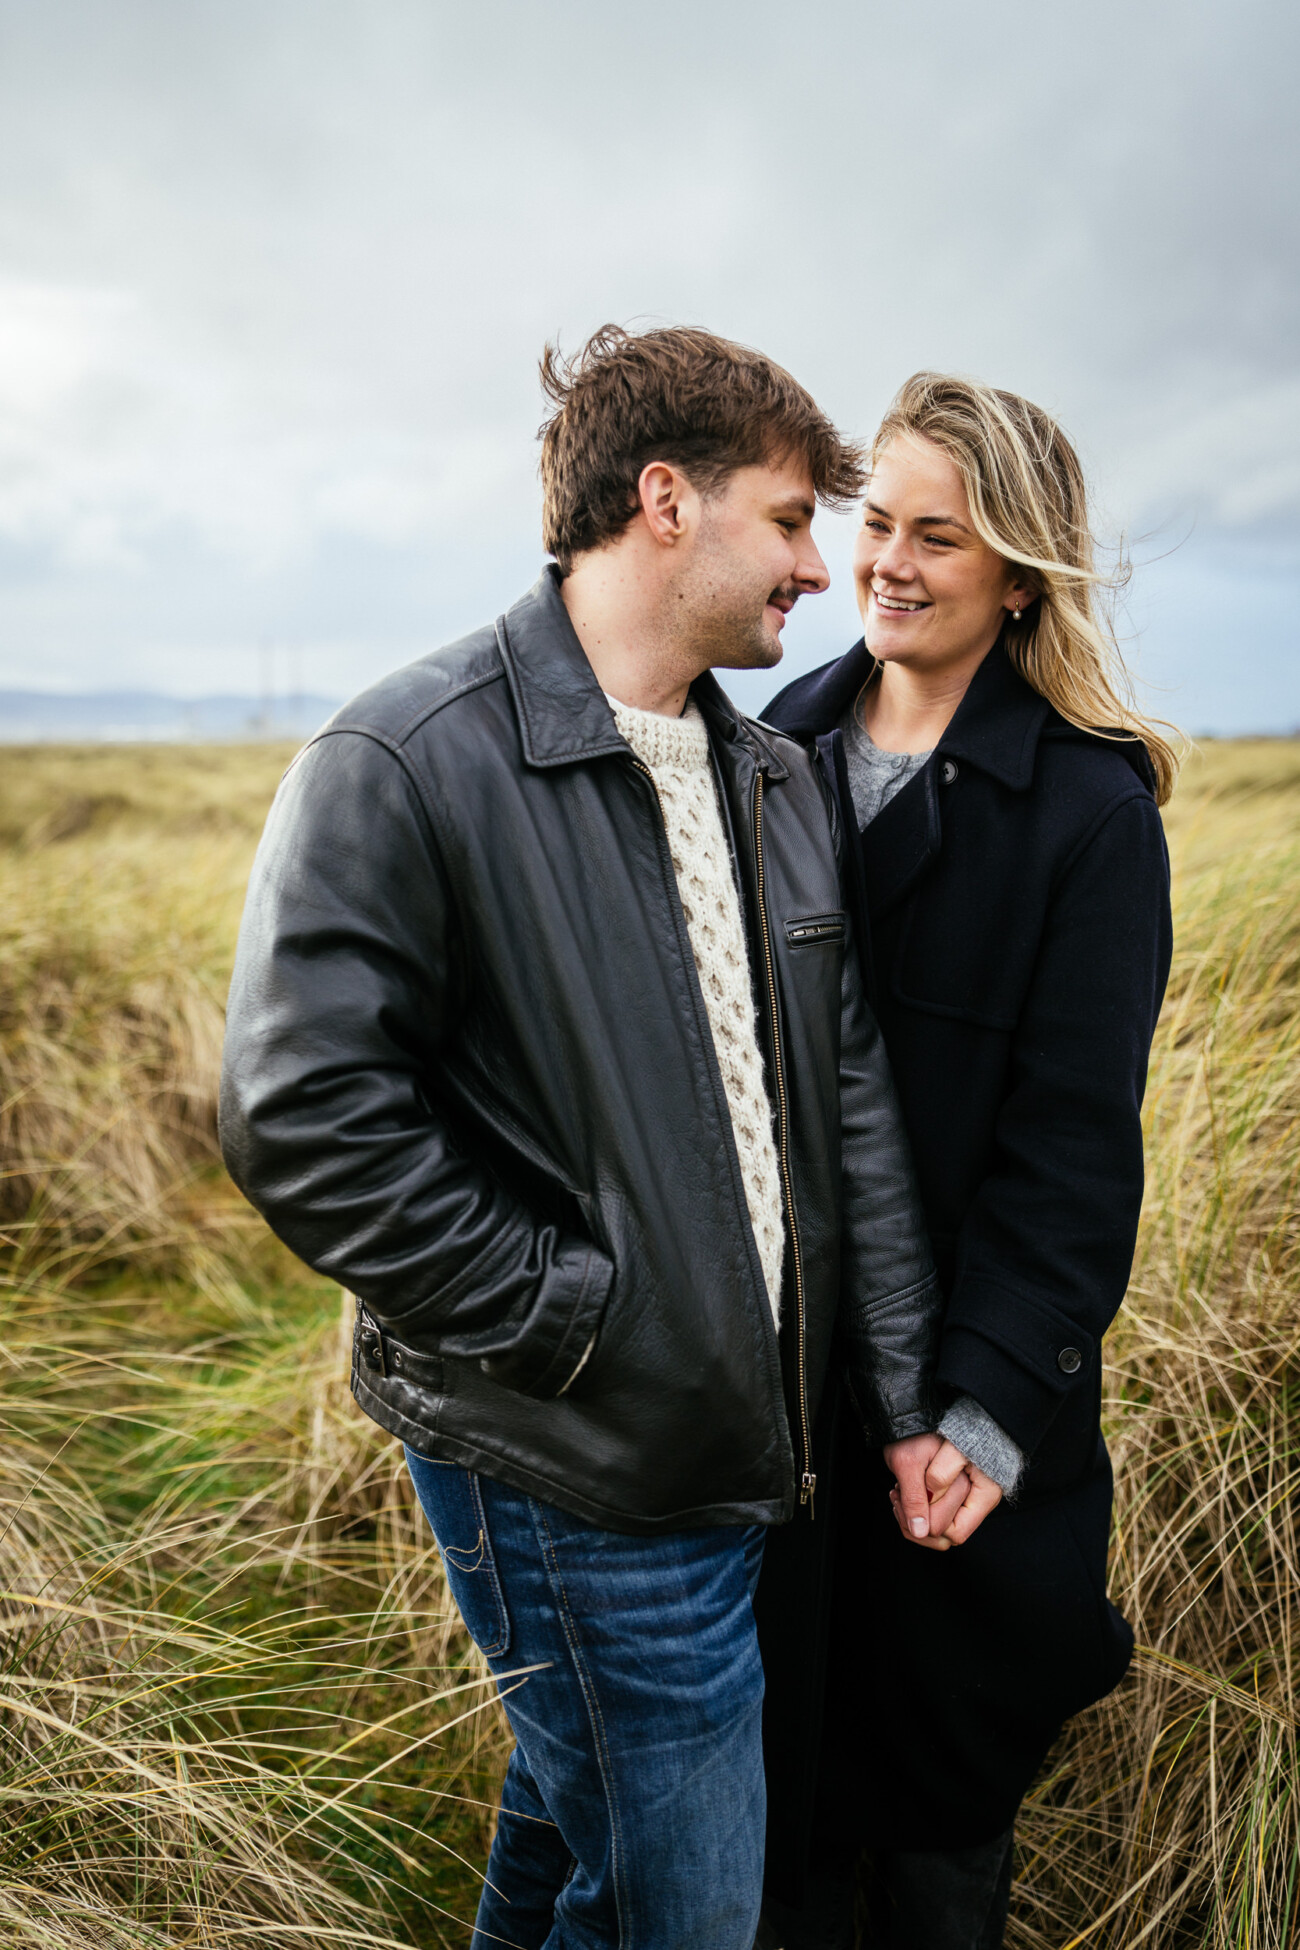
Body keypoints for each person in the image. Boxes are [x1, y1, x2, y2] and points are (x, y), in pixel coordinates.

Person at [219, 325, 951, 1950]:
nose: (820, 570)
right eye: (789, 520)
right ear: (665, 501)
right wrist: (578, 1319)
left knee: (578, 1842)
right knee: (684, 1912)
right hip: (575, 1451)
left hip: (745, 1446)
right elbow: (301, 1115)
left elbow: (847, 1113)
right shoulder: (404, 761)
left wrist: (895, 1393)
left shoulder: (771, 777)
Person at [757, 372, 1177, 1950]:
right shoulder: (772, 750)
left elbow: (1072, 1155)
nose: (892, 562)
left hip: (955, 1434)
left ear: (1019, 571)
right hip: (778, 1412)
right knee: (779, 1837)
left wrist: (980, 1412)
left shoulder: (1085, 809)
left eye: (944, 535)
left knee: (938, 1843)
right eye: (880, 523)